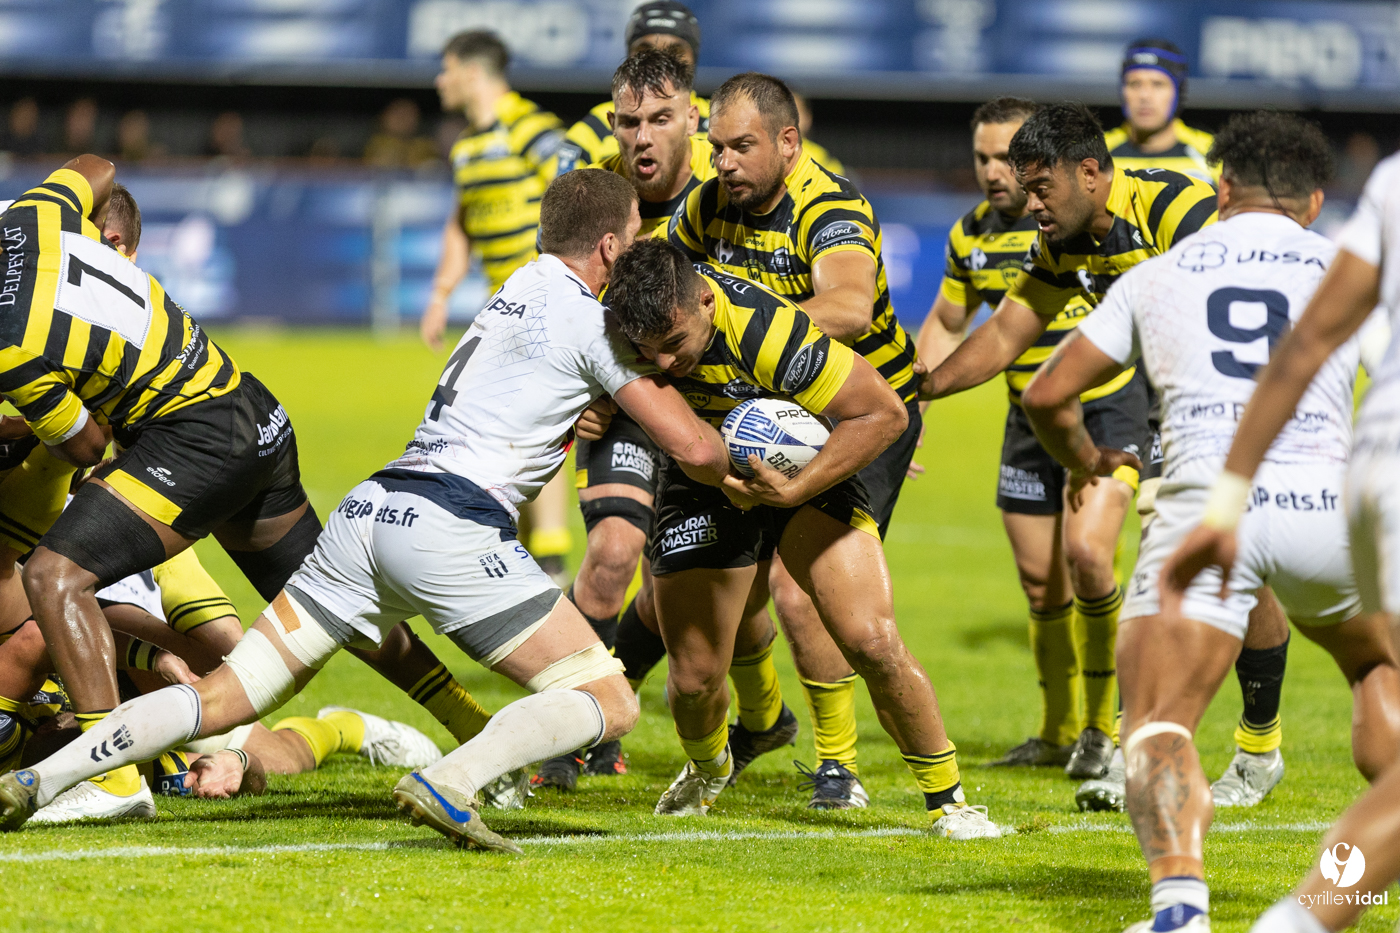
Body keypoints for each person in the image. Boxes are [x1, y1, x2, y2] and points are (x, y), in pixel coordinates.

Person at [0, 169, 735, 854]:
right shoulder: (590, 320)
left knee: (220, 697)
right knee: (605, 694)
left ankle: (51, 776)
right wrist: (769, 461)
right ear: (609, 246)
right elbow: (694, 448)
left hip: (369, 514)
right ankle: (453, 776)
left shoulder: (515, 284)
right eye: (636, 234)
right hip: (450, 523)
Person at [1022, 111, 1400, 933]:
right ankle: (1346, 882)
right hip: (1327, 505)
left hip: (1206, 502)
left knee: (1157, 721)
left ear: (1220, 186)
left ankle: (1179, 907)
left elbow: (1047, 392)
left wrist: (1086, 456)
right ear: (1316, 199)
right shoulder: (1343, 265)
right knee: (1381, 681)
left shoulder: (1161, 272)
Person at [606, 238, 1004, 837]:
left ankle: (949, 800)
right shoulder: (617, 326)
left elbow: (886, 414)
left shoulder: (773, 335)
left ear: (706, 304)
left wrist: (794, 489)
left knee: (871, 639)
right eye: (647, 352)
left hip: (799, 466)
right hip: (697, 477)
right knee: (691, 680)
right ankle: (709, 767)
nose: (662, 364)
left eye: (673, 346)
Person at [920, 103, 1218, 792]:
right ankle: (1083, 732)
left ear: (1089, 172)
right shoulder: (1059, 243)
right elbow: (1000, 337)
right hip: (1056, 412)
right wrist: (921, 385)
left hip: (1147, 404)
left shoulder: (1176, 208)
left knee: (1105, 556)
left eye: (1039, 188)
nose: (1029, 205)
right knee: (1052, 579)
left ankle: (1150, 735)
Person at [1156, 134, 1400, 933]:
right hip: (1356, 481)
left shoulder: (1393, 185)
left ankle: (1303, 916)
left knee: (1381, 676)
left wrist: (1228, 500)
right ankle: (1300, 921)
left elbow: (1303, 351)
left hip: (1368, 469)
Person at [665, 72, 920, 809]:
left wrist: (742, 319)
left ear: (788, 141)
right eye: (715, 148)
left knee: (798, 586)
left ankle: (838, 764)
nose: (725, 163)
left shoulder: (831, 204)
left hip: (862, 414)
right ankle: (763, 722)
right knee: (727, 585)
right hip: (765, 407)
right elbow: (660, 277)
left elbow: (847, 304)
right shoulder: (708, 204)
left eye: (741, 146)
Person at [532, 47, 728, 787]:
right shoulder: (597, 203)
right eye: (626, 121)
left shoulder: (726, 190)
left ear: (691, 118)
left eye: (658, 120)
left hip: (713, 406)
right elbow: (559, 305)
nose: (641, 136)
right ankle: (569, 730)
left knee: (722, 609)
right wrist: (583, 394)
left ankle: (766, 727)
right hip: (623, 403)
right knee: (613, 554)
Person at [919, 96, 1108, 768]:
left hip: (1095, 410)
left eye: (1008, 157)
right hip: (1024, 415)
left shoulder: (1073, 225)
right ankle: (1057, 732)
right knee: (1040, 584)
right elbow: (948, 321)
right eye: (983, 157)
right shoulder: (969, 235)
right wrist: (916, 407)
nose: (996, 171)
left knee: (1091, 566)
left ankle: (1099, 727)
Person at [418, 30, 574, 586]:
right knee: (510, 428)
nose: (439, 80)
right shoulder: (465, 147)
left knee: (535, 421)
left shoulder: (531, 129)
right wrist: (440, 294)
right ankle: (539, 561)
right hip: (502, 308)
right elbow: (461, 223)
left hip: (547, 301)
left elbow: (574, 194)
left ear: (469, 71)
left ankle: (551, 555)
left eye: (445, 68)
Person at [1103, 40, 1217, 184]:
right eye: (1134, 84)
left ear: (1178, 92)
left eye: (1158, 84)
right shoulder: (1096, 155)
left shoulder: (1214, 155)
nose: (1144, 96)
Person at [363, 99, 440, 170]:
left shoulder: (424, 146)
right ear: (384, 117)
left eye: (408, 115)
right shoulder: (376, 143)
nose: (402, 119)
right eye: (398, 114)